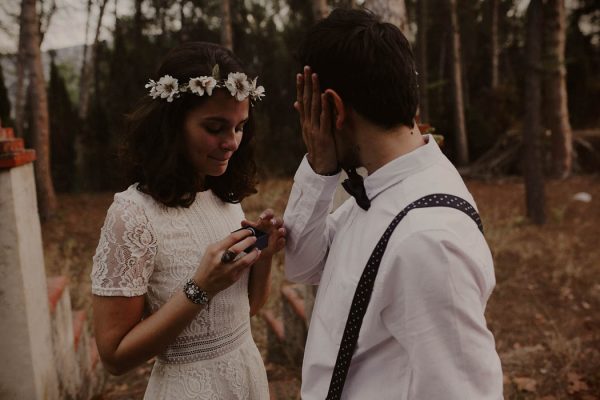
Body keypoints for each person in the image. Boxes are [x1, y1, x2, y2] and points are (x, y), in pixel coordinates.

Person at [284, 8, 503, 400]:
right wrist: (319, 169)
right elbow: (304, 264)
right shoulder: (384, 187)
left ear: (333, 108)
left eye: (310, 107)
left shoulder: (428, 239)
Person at [91, 41, 284, 399]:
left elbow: (245, 311)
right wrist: (200, 288)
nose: (231, 142)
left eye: (240, 127)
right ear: (172, 124)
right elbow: (114, 357)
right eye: (215, 127)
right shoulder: (132, 215)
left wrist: (265, 255)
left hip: (246, 378)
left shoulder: (223, 198)